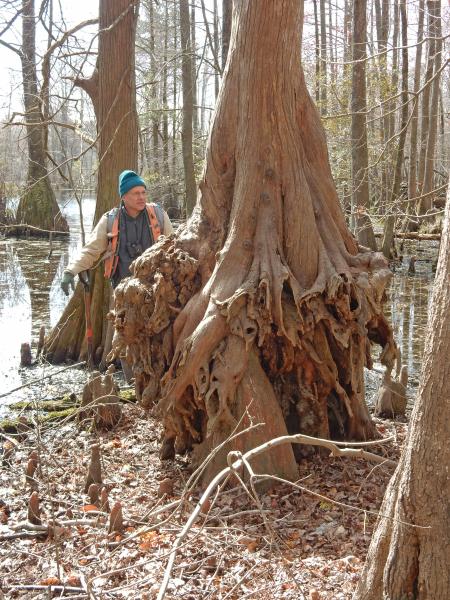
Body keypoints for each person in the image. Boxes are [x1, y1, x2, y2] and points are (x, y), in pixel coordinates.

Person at [61, 170, 174, 294]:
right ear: (124, 196)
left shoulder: (159, 215)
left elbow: (175, 247)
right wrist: (70, 271)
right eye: (136, 193)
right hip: (122, 291)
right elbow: (91, 250)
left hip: (156, 288)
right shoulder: (109, 220)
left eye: (143, 192)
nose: (141, 197)